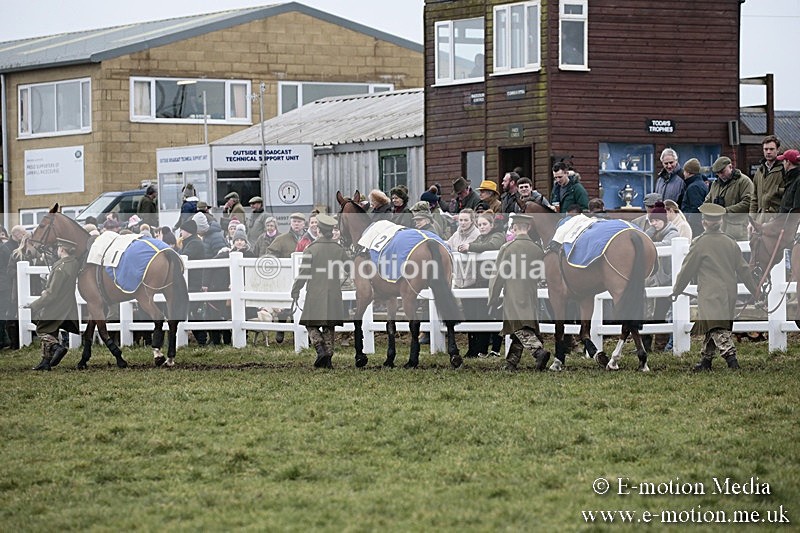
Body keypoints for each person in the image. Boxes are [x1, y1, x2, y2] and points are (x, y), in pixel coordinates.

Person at [671, 203, 759, 371]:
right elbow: (744, 270)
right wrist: (754, 289)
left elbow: (686, 270)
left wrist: (676, 290)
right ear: (720, 221)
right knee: (712, 326)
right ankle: (706, 361)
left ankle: (732, 361)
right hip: (729, 293)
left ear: (704, 222)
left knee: (717, 328)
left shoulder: (699, 243)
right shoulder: (730, 242)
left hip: (710, 294)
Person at [487, 213, 550, 371]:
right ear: (528, 227)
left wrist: (492, 297)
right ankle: (511, 363)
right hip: (530, 292)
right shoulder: (537, 249)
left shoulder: (508, 248)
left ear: (514, 228)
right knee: (523, 324)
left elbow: (498, 275)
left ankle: (538, 351)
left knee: (519, 326)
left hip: (513, 291)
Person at [290, 214, 350, 368]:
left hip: (315, 293)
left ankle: (320, 349)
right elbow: (350, 268)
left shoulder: (312, 249)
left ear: (318, 230)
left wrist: (295, 290)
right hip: (334, 293)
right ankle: (328, 359)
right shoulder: (338, 249)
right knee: (329, 326)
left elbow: (304, 273)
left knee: (310, 323)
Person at [27, 238, 81, 371]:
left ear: (62, 249)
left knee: (42, 330)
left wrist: (34, 305)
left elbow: (52, 293)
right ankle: (45, 362)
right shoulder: (73, 263)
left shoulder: (60, 268)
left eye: (58, 248)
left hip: (55, 305)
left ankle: (57, 347)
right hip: (66, 304)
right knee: (51, 330)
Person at [459, 211, 506, 358]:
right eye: (479, 224)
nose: (482, 227)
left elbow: (492, 245)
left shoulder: (498, 235)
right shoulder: (480, 238)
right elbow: (477, 245)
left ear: (492, 225)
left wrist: (470, 247)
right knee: (483, 314)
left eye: (485, 224)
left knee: (496, 314)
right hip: (481, 281)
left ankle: (496, 349)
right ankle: (482, 349)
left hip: (495, 280)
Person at [704, 156, 753, 241]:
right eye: (718, 173)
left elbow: (748, 202)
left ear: (730, 167)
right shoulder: (715, 184)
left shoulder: (744, 181)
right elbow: (707, 201)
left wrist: (726, 211)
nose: (720, 175)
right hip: (718, 232)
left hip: (738, 232)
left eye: (722, 172)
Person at [179, 219, 208, 346]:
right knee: (190, 311)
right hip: (191, 282)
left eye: (182, 230)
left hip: (193, 282)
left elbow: (184, 257)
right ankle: (201, 338)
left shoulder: (194, 244)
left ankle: (202, 338)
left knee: (192, 311)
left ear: (188, 231)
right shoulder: (191, 242)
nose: (181, 232)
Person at [749, 135, 785, 224]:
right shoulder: (759, 171)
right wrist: (751, 220)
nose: (768, 152)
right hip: (759, 219)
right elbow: (754, 197)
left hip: (777, 220)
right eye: (766, 149)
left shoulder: (784, 170)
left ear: (778, 150)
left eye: (771, 149)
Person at [680, 158, 707, 236]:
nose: (683, 174)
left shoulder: (693, 187)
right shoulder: (701, 184)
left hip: (694, 227)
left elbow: (696, 209)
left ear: (688, 172)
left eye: (684, 171)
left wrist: (690, 226)